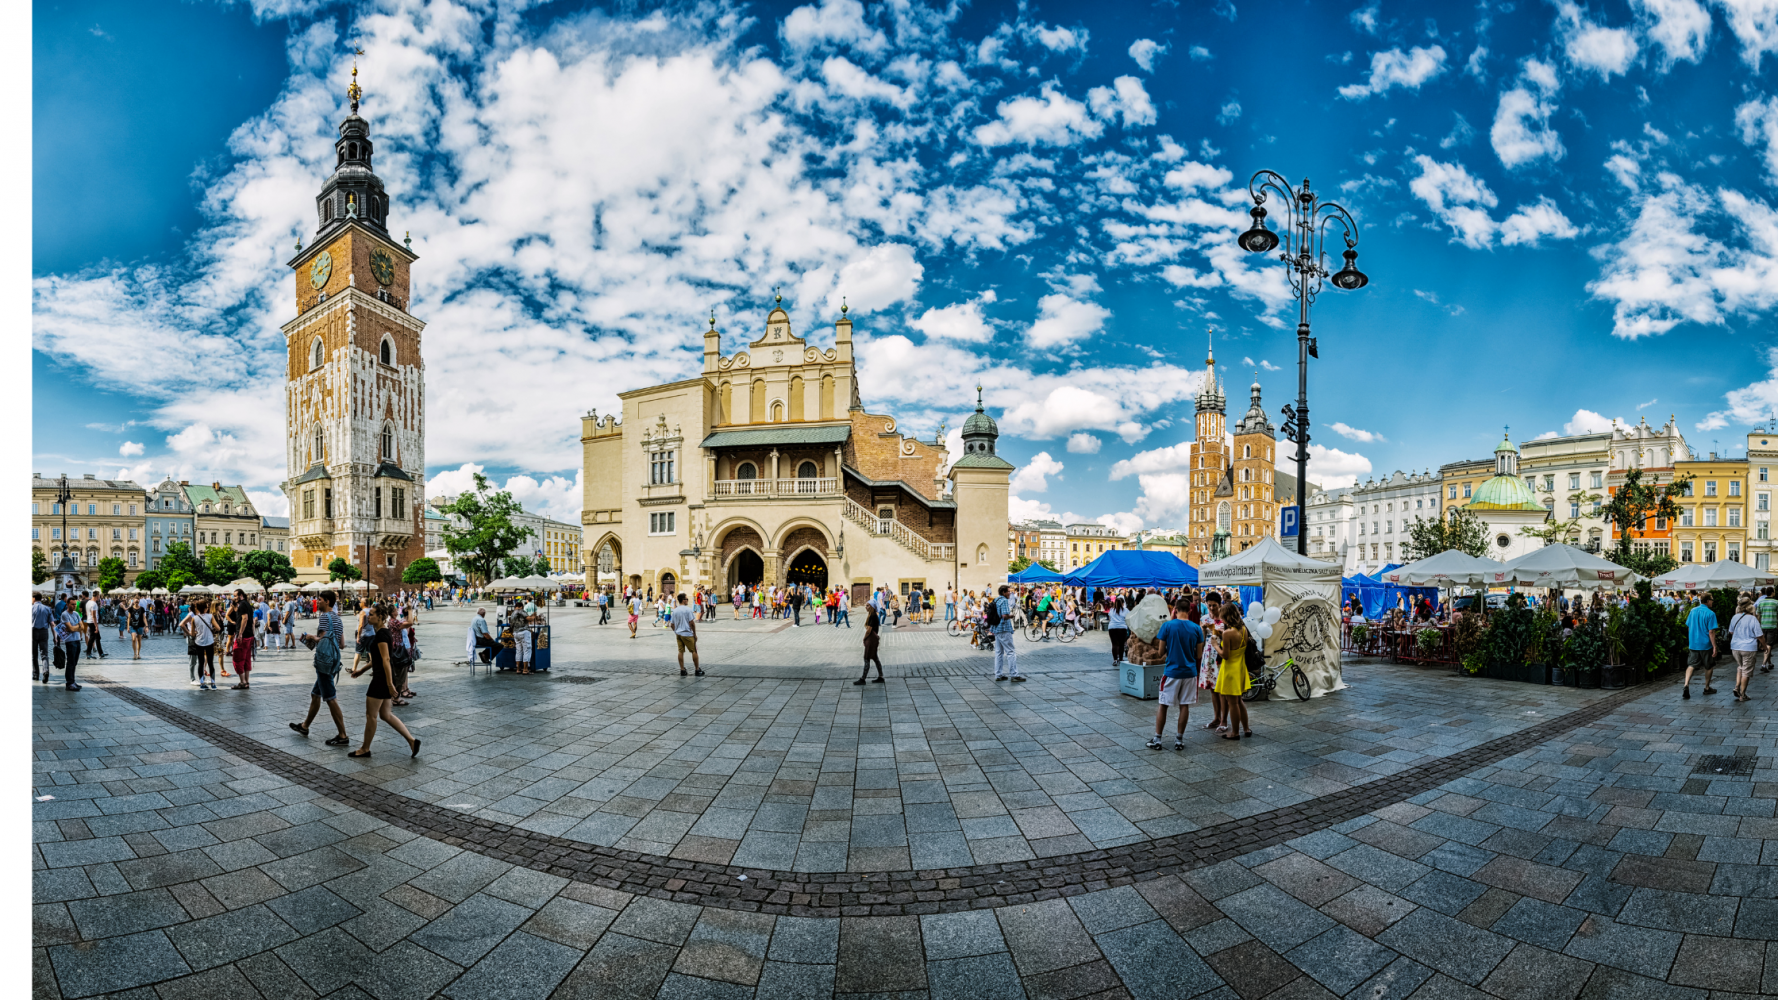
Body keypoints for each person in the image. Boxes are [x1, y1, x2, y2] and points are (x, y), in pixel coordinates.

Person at [346, 605, 419, 759]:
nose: (368, 617)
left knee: (371, 715)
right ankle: (412, 741)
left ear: (380, 617)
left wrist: (389, 683)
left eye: (371, 614)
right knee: (386, 714)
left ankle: (365, 748)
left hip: (381, 679)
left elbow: (386, 659)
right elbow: (378, 659)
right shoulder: (382, 633)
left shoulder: (381, 635)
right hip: (384, 676)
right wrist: (361, 671)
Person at [290, 591, 352, 746]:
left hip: (324, 661)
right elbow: (342, 644)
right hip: (333, 660)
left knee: (330, 698)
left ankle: (343, 735)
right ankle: (304, 727)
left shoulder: (325, 617)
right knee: (315, 694)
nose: (317, 602)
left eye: (320, 599)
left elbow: (322, 638)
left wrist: (310, 637)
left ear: (327, 601)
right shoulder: (338, 618)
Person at [1148, 597, 1205, 750]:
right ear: (1190, 610)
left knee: (1163, 705)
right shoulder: (1197, 628)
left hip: (1172, 671)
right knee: (1184, 705)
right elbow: (1199, 655)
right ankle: (1179, 740)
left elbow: (1160, 652)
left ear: (1175, 609)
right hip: (1190, 672)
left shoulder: (1167, 626)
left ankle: (1157, 739)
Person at [1213, 604, 1251, 739]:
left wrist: (1216, 645)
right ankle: (1246, 728)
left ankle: (1235, 732)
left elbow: (1225, 655)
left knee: (1232, 703)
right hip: (1240, 667)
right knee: (1239, 701)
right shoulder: (1244, 629)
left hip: (1230, 670)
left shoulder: (1227, 633)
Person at [1729, 595, 1766, 703]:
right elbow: (1760, 635)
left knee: (1740, 667)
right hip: (1748, 648)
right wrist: (1764, 646)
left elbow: (1731, 631)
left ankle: (1737, 687)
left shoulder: (1734, 617)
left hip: (1735, 647)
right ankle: (1743, 695)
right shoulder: (1752, 618)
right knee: (1746, 671)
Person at [1683, 594, 1719, 700]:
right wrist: (1714, 646)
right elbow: (1711, 631)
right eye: (1711, 600)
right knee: (1709, 666)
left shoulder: (1693, 611)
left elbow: (1689, 627)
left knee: (1691, 665)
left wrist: (1691, 639)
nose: (1712, 602)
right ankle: (1707, 687)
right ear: (1707, 601)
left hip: (1694, 643)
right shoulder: (1711, 613)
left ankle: (1686, 684)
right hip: (1705, 644)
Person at [184, 598, 220, 691]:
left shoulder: (194, 618)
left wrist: (198, 632)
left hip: (199, 642)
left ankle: (202, 683)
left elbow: (192, 633)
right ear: (205, 608)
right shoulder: (210, 616)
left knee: (201, 662)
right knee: (211, 663)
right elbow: (218, 628)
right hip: (209, 641)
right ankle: (213, 683)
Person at [991, 584, 1025, 682]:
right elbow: (1004, 615)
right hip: (1004, 628)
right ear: (1003, 592)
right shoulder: (1005, 601)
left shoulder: (996, 600)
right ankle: (1014, 675)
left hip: (996, 628)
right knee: (1010, 652)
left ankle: (998, 674)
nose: (1010, 593)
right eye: (1008, 591)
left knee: (998, 652)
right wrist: (1011, 616)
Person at [227, 591, 255, 689]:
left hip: (243, 637)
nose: (233, 597)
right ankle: (246, 681)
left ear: (241, 595)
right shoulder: (247, 604)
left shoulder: (242, 605)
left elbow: (245, 618)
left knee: (237, 659)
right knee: (247, 659)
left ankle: (242, 682)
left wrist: (240, 633)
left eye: (235, 596)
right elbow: (252, 621)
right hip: (249, 636)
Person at [670, 592, 702, 677]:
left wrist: (676, 631)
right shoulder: (688, 610)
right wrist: (694, 634)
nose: (688, 600)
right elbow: (692, 623)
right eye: (687, 599)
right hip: (687, 634)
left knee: (680, 651)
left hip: (679, 634)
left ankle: (682, 670)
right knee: (694, 651)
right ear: (683, 600)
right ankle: (697, 669)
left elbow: (671, 624)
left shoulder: (675, 610)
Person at [55, 600, 83, 691]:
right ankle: (69, 683)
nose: (74, 606)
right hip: (70, 641)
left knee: (74, 662)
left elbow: (82, 627)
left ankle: (73, 681)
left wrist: (73, 628)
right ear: (67, 604)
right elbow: (70, 628)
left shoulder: (76, 614)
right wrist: (76, 627)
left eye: (75, 604)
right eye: (72, 604)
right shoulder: (65, 614)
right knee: (71, 662)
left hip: (77, 640)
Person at [857, 603, 885, 684]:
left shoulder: (872, 616)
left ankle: (863, 679)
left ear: (872, 607)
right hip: (873, 638)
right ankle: (881, 676)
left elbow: (869, 629)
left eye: (868, 606)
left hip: (871, 638)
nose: (866, 607)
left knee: (867, 658)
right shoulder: (872, 615)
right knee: (875, 658)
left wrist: (865, 638)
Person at [32, 594, 53, 682]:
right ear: (41, 599)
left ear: (34, 598)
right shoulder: (48, 608)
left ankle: (36, 674)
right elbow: (52, 623)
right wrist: (55, 637)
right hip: (44, 632)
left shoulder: (30, 608)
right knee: (44, 654)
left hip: (33, 631)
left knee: (34, 655)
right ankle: (45, 671)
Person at [1758, 586, 1778, 673]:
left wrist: (1758, 625)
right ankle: (1763, 664)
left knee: (1766, 645)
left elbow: (1758, 615)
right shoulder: (1776, 602)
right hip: (1772, 626)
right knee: (1769, 645)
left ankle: (1769, 663)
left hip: (1763, 626)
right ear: (1772, 592)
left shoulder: (1761, 602)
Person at [1107, 597, 1130, 665]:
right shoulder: (1126, 610)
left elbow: (1110, 619)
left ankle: (1115, 659)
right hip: (1122, 628)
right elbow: (1128, 619)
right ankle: (1121, 658)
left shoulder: (1112, 610)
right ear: (1123, 603)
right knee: (1121, 644)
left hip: (1112, 628)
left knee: (1114, 644)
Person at [83, 593, 106, 659]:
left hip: (89, 621)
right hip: (93, 622)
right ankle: (89, 653)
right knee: (92, 638)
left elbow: (87, 613)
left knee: (97, 638)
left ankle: (100, 653)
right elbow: (94, 615)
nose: (99, 598)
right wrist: (96, 625)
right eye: (99, 596)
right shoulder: (94, 604)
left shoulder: (88, 603)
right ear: (96, 596)